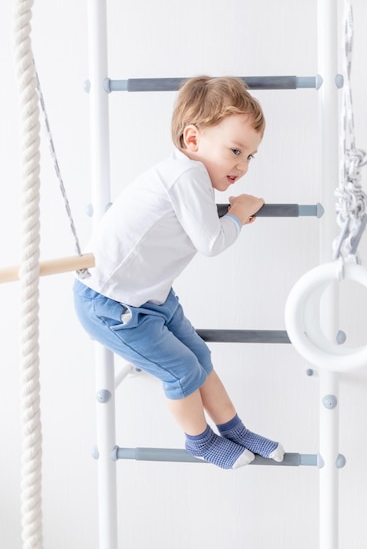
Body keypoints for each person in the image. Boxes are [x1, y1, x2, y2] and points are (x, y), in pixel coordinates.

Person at [73, 76, 284, 469]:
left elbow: (201, 230)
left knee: (200, 358)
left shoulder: (188, 178)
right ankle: (200, 441)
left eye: (250, 156)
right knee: (183, 370)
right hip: (112, 307)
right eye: (236, 150)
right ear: (192, 140)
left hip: (150, 298)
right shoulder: (187, 177)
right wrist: (237, 214)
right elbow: (211, 243)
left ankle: (234, 428)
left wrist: (230, 219)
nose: (242, 165)